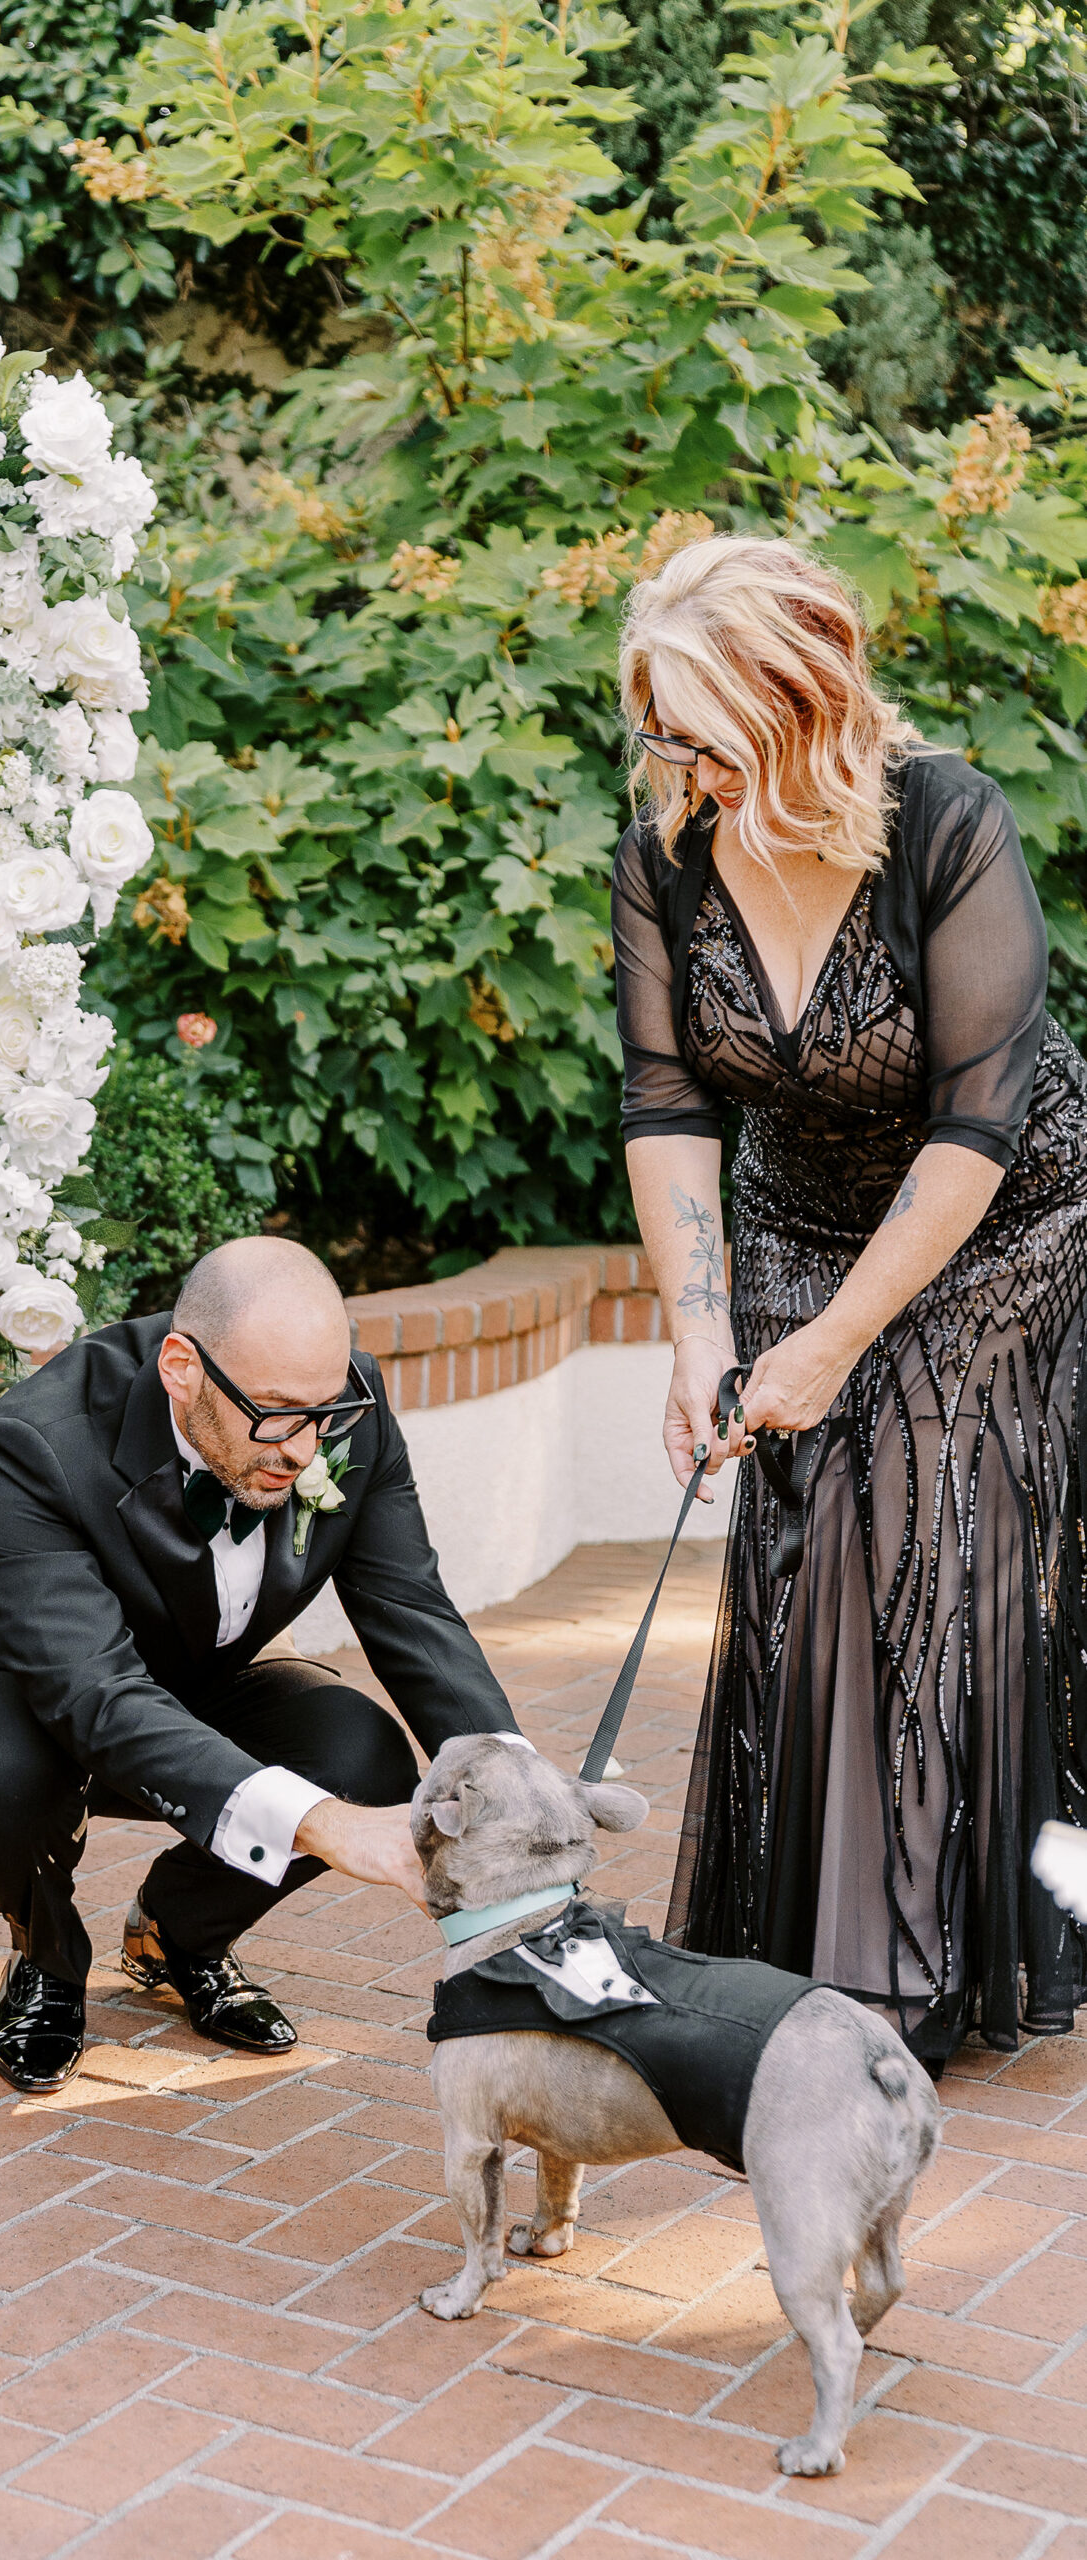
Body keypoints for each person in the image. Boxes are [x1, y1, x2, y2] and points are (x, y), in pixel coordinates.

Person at [612, 530, 1087, 2069]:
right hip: (795, 1220)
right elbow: (667, 1106)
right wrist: (704, 1338)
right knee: (797, 1539)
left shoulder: (946, 824)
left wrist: (830, 1342)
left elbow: (975, 1125)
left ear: (800, 700)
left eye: (701, 732)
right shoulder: (665, 857)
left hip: (1000, 1218)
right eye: (656, 732)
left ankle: (894, 1977)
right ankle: (797, 1950)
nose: (673, 764)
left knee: (914, 1513)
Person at [0, 1233, 530, 2093]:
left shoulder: (336, 1410)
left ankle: (175, 1936)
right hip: (14, 1689)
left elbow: (413, 1612)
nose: (301, 1450)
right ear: (181, 1368)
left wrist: (517, 1787)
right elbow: (94, 1694)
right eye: (277, 1413)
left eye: (324, 1414)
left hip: (194, 1678)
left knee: (362, 1757)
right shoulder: (31, 1444)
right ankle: (48, 1960)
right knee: (6, 1775)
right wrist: (323, 1827)